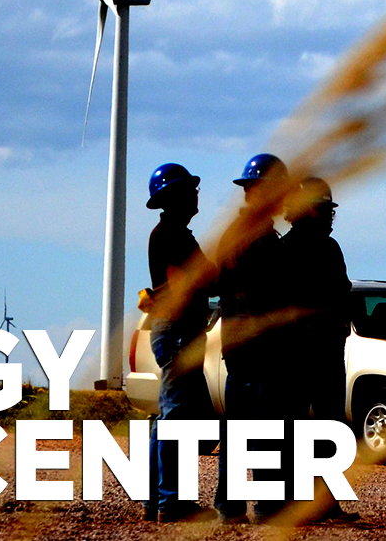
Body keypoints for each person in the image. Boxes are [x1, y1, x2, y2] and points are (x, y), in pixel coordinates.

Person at [217, 153, 300, 524]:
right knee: (267, 429)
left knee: (236, 431)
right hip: (262, 347)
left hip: (236, 346)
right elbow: (271, 297)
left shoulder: (230, 235)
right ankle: (267, 506)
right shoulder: (262, 241)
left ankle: (230, 505)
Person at [280, 177, 360, 523]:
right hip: (300, 352)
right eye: (324, 209)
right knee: (298, 427)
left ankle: (323, 503)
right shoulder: (289, 250)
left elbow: (343, 292)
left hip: (326, 350)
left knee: (328, 427)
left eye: (331, 210)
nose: (330, 216)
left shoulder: (330, 248)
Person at [142, 163, 217, 523]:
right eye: (190, 189)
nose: (196, 194)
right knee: (176, 416)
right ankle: (171, 502)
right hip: (177, 332)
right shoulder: (172, 236)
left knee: (171, 414)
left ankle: (157, 498)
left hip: (174, 330)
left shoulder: (173, 234)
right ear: (175, 196)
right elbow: (190, 281)